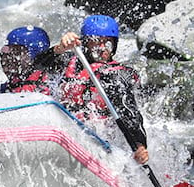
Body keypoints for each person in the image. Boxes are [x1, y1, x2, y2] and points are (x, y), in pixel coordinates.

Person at [34, 14, 149, 164]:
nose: (101, 49)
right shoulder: (68, 60)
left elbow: (129, 111)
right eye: (95, 43)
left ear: (115, 45)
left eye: (107, 43)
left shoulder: (118, 74)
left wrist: (139, 145)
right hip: (66, 132)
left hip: (100, 140)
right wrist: (59, 49)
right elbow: (37, 66)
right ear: (85, 43)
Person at [0, 26, 51, 94]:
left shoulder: (49, 83)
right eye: (5, 53)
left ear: (35, 56)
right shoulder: (11, 86)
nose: (7, 58)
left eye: (16, 52)